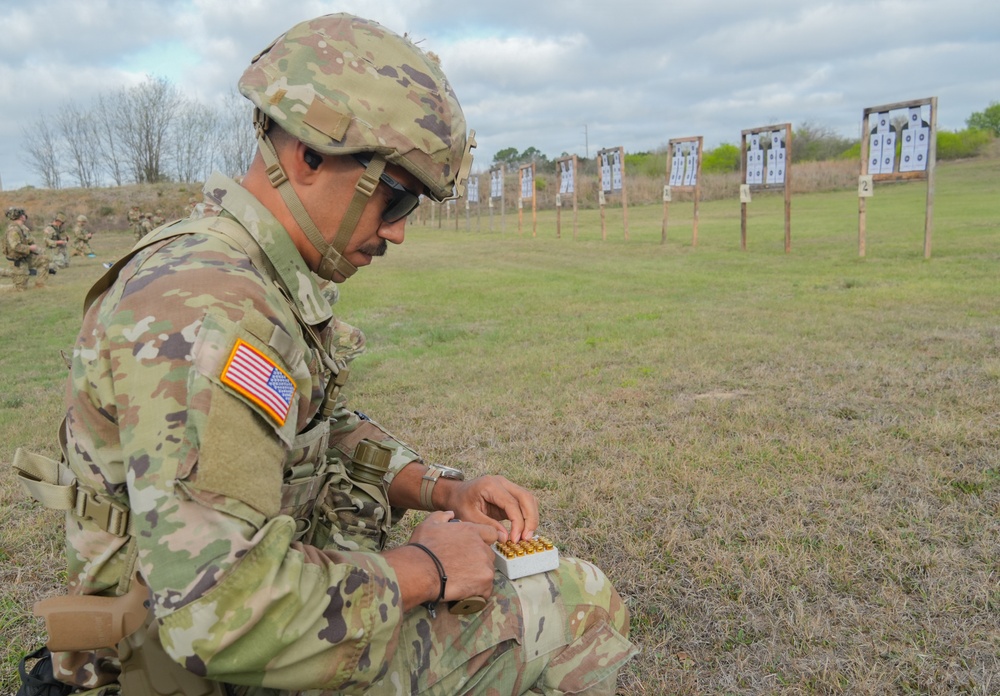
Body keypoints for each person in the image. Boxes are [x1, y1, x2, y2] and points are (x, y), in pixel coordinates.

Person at [15, 13, 635, 696]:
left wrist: (443, 489)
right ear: (308, 153)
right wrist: (425, 566)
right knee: (576, 600)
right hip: (203, 667)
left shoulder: (242, 277)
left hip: (207, 642)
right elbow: (216, 615)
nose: (398, 233)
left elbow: (314, 428)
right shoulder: (211, 312)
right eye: (394, 197)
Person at [4, 207, 49, 290]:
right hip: (17, 261)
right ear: (21, 216)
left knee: (44, 259)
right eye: (23, 214)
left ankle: (40, 285)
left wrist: (40, 251)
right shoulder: (13, 230)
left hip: (25, 257)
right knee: (20, 288)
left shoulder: (23, 228)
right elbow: (16, 246)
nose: (25, 216)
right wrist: (29, 248)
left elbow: (30, 241)